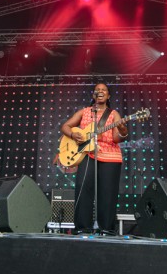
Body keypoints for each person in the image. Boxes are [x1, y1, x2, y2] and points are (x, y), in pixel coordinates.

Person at [60, 83, 128, 234]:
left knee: (108, 193)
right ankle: (83, 228)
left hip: (110, 157)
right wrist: (72, 134)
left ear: (108, 96)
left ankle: (107, 229)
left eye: (104, 90)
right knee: (84, 190)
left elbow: (117, 139)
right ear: (93, 95)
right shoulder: (84, 112)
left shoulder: (113, 114)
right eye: (98, 89)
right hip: (88, 155)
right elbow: (65, 126)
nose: (101, 91)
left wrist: (123, 130)